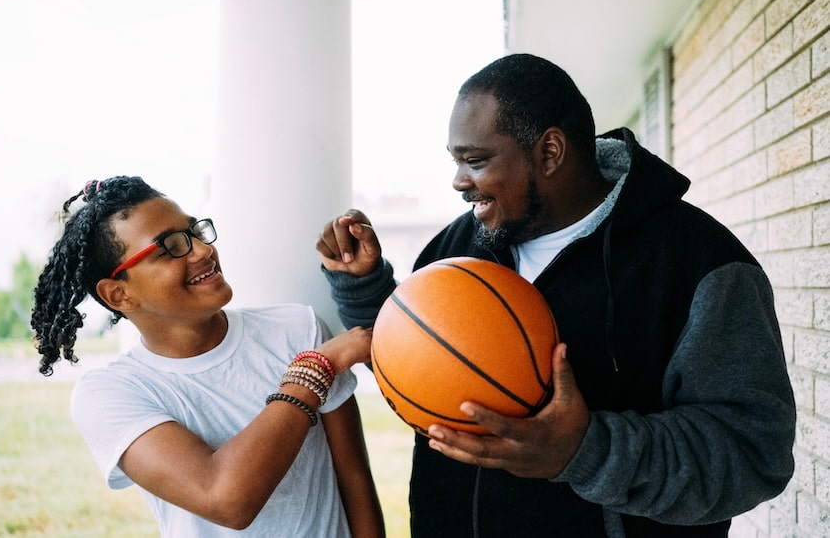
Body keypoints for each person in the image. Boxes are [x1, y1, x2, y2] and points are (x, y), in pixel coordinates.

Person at [316, 54, 796, 537]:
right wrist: (365, 284)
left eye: (475, 160)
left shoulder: (699, 261)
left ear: (549, 152)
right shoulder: (455, 249)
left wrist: (585, 451)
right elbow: (419, 364)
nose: (459, 181)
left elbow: (752, 454)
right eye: (456, 160)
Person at [31, 176, 385, 537]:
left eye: (194, 233)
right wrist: (313, 370)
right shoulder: (111, 394)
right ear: (119, 295)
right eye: (170, 247)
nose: (201, 251)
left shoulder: (299, 328)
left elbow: (354, 481)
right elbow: (226, 499)